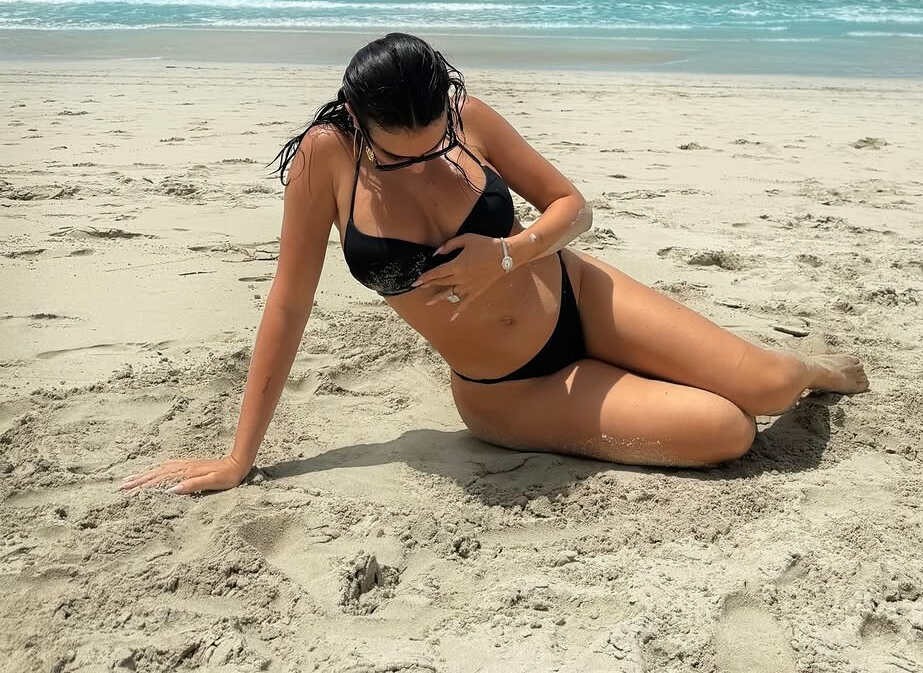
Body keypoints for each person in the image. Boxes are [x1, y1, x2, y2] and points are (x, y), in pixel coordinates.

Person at [118, 32, 868, 496]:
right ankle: (649, 385)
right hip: (512, 389)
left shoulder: (466, 115)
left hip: (580, 295)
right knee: (729, 431)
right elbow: (289, 303)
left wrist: (506, 254)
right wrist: (239, 456)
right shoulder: (325, 160)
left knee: (772, 386)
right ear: (358, 119)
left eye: (437, 145)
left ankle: (812, 368)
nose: (423, 161)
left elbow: (573, 207)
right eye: (398, 156)